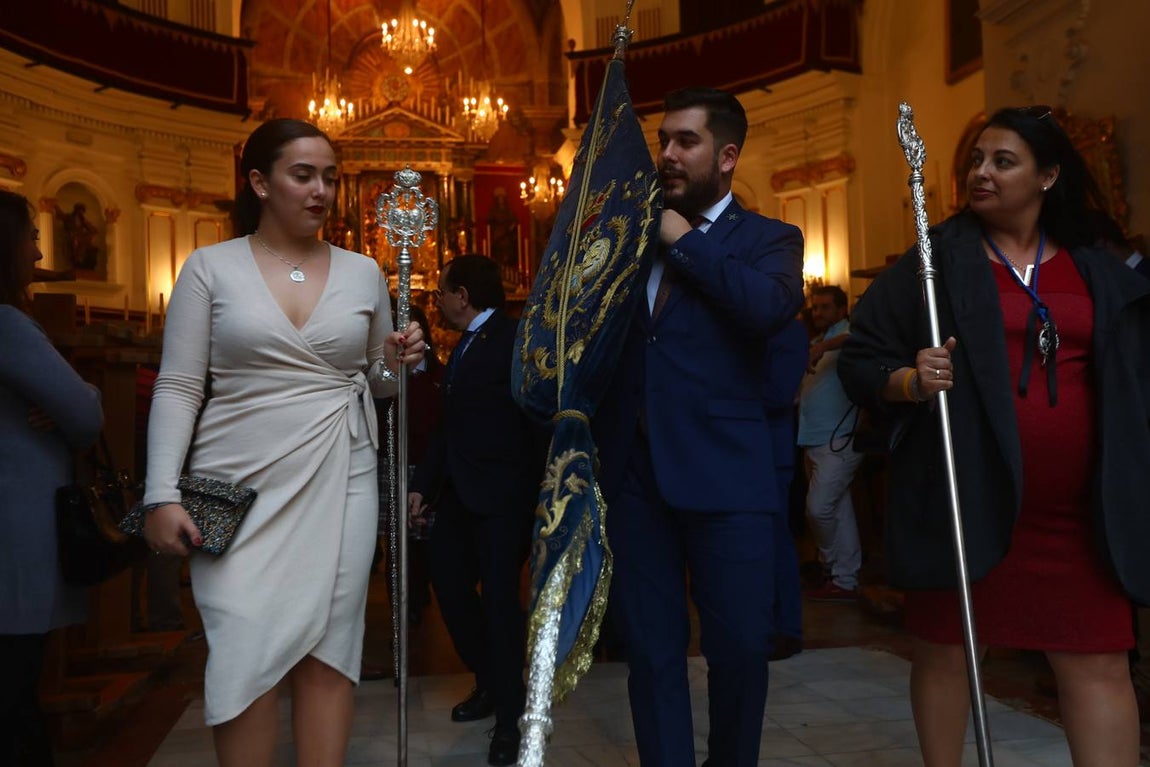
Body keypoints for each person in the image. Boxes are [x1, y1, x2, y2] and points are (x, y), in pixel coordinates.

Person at [838, 106, 1150, 767]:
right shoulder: (936, 262)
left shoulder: (1099, 270)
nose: (981, 172)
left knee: (1098, 660)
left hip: (1081, 516)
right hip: (967, 497)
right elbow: (860, 357)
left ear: (1048, 176)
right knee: (949, 652)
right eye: (976, 160)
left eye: (1002, 161)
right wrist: (911, 380)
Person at [140, 118, 424, 767]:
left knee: (329, 647)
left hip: (341, 472)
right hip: (232, 482)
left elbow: (380, 386)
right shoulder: (209, 267)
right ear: (260, 182)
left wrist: (395, 359)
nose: (321, 189)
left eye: (330, 176)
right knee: (243, 647)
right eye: (304, 174)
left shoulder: (364, 272)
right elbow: (181, 384)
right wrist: (160, 491)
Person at [594, 87, 804, 767]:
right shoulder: (628, 239)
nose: (668, 155)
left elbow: (764, 308)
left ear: (728, 155)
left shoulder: (771, 239)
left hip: (729, 478)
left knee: (741, 648)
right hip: (635, 478)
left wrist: (682, 240)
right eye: (663, 141)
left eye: (686, 141)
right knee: (652, 654)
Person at [408, 255, 542, 767]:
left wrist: (533, 493)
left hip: (503, 500)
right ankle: (490, 680)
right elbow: (448, 426)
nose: (437, 301)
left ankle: (509, 720)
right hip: (459, 498)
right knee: (451, 589)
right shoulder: (463, 346)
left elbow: (534, 418)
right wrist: (424, 485)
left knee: (502, 609)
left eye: (442, 292)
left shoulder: (515, 339)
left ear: (462, 295)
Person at [0, 190, 104, 765]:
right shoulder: (8, 324)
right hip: (14, 534)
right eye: (31, 239)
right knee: (15, 697)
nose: (40, 253)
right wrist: (81, 394)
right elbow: (86, 415)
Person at [797, 284, 865, 601]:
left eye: (826, 307)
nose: (819, 312)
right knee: (839, 509)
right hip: (813, 436)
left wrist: (823, 349)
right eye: (816, 307)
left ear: (841, 310)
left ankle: (829, 565)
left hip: (839, 438)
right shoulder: (816, 342)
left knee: (818, 508)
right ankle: (845, 579)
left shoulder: (846, 334)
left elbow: (859, 339)